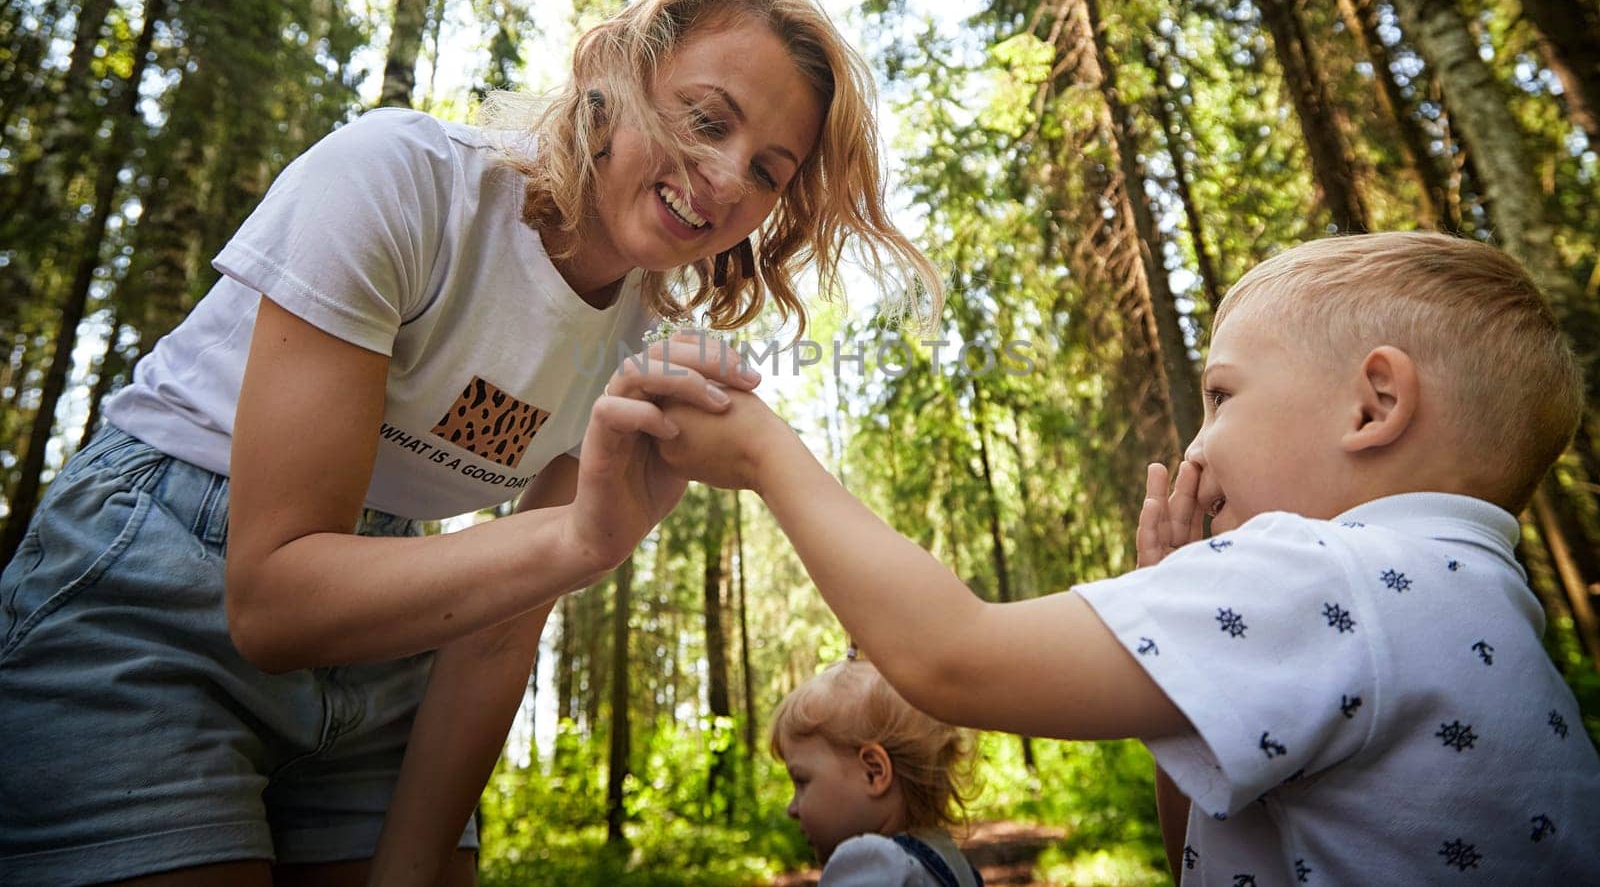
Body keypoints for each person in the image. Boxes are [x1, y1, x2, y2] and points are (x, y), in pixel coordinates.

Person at [0, 0, 939, 887]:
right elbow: (273, 598)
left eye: (769, 171)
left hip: (394, 606)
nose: (729, 177)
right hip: (159, 560)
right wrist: (577, 538)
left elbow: (497, 631)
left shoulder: (639, 347)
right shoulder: (398, 183)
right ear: (616, 73)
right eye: (707, 119)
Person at [656, 231, 1600, 883]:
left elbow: (951, 656)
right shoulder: (1491, 609)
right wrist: (1175, 608)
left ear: (1373, 407)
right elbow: (1204, 845)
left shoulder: (1325, 574)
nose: (1196, 448)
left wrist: (764, 452)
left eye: (1222, 396)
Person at [772, 655, 982, 887]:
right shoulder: (949, 859)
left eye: (802, 781)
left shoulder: (872, 865)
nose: (792, 808)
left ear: (874, 772)